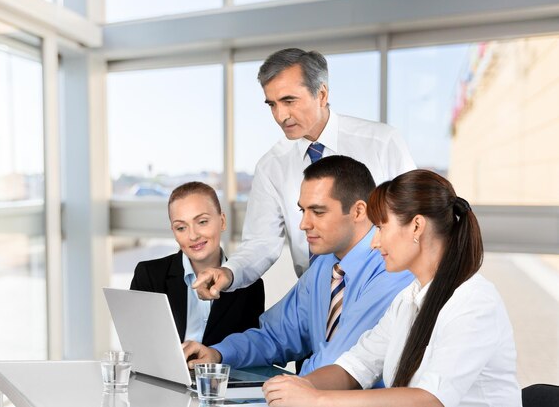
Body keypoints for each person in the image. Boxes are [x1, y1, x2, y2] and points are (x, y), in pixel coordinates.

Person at [263, 170, 521, 407]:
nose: (374, 242)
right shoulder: (407, 299)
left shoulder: (474, 302)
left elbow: (431, 399)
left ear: (417, 226)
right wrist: (298, 386)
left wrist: (317, 399)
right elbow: (356, 366)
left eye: (381, 227)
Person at [193, 48, 415, 300]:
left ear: (321, 94)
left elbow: (416, 222)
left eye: (289, 101)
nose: (280, 116)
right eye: (272, 104)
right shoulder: (271, 166)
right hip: (316, 299)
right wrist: (229, 272)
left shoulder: (381, 142)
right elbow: (261, 243)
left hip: (384, 294)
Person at [182, 156, 414, 376]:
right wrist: (218, 353)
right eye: (303, 210)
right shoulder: (325, 266)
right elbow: (275, 336)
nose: (303, 224)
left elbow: (339, 363)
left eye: (318, 212)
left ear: (358, 211)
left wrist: (284, 389)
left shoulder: (391, 267)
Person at [130, 181, 264, 346]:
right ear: (173, 231)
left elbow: (251, 349)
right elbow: (137, 344)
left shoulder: (249, 285)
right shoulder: (149, 275)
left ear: (222, 221)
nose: (192, 236)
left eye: (202, 222)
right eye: (181, 228)